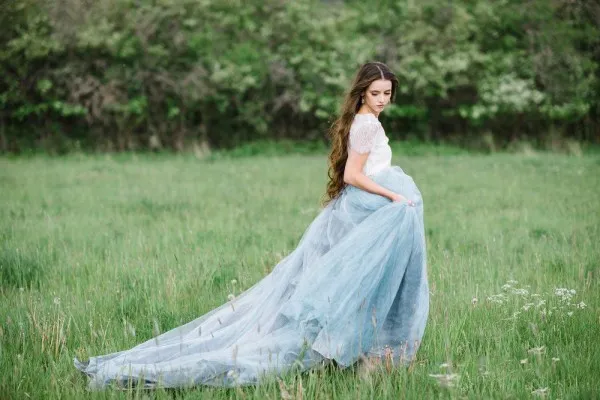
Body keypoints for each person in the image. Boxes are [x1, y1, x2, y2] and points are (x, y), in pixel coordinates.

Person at [74, 61, 429, 389]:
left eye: (387, 93)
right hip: (369, 206)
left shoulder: (365, 121)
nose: (382, 100)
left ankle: (359, 352)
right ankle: (356, 352)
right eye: (375, 93)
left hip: (363, 210)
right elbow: (353, 175)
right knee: (355, 284)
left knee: (353, 284)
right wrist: (394, 197)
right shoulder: (366, 125)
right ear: (362, 92)